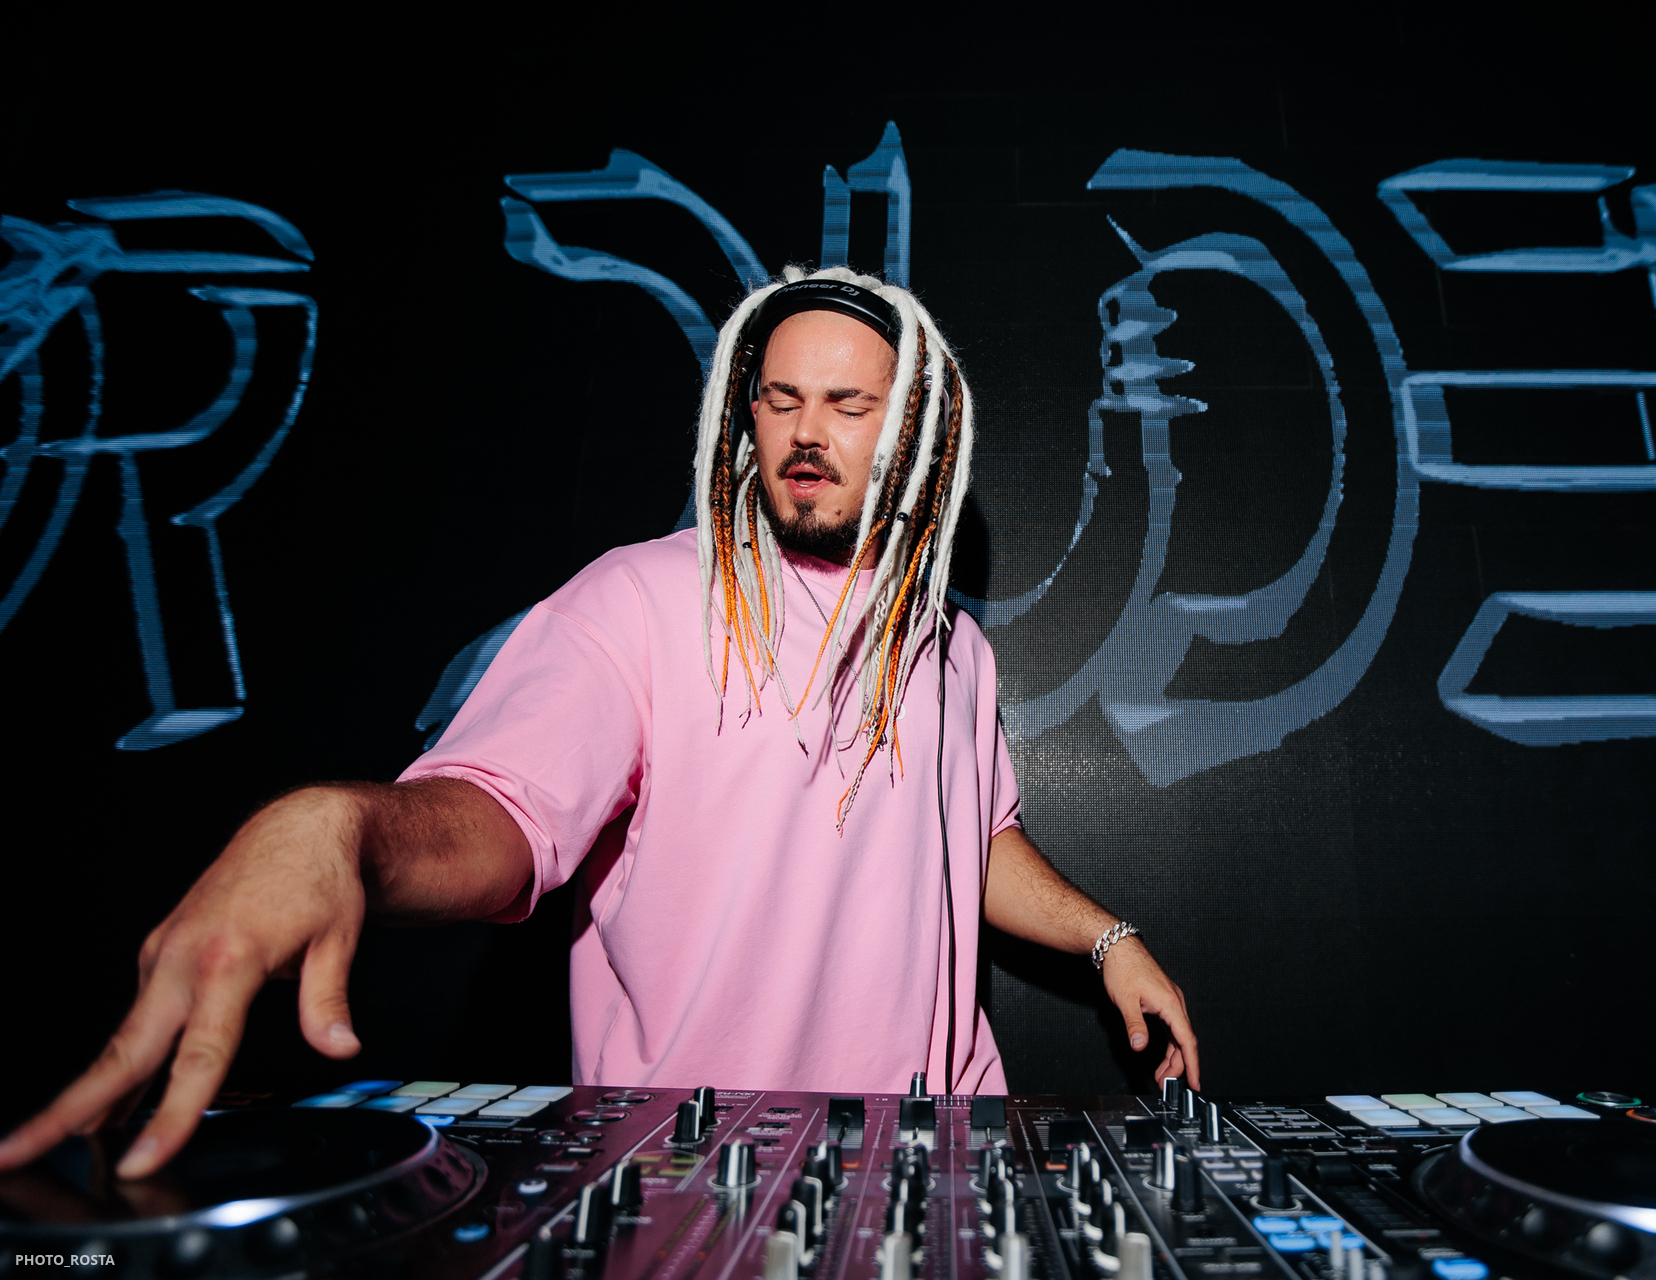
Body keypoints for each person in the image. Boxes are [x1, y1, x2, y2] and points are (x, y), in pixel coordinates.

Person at [0, 268, 1199, 1182]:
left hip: (937, 1156)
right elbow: (503, 817)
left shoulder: (949, 646)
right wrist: (336, 829)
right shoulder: (636, 598)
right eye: (781, 399)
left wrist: (1107, 940)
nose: (805, 434)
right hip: (694, 1170)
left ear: (914, 434)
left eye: (848, 405)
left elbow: (965, 840)